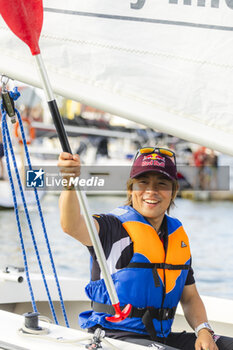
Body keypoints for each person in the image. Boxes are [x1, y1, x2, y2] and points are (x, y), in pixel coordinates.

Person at [58, 147, 233, 350]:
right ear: (130, 189)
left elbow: (190, 297)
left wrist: (203, 330)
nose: (151, 190)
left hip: (160, 338)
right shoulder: (110, 227)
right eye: (143, 182)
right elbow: (70, 225)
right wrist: (69, 181)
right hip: (115, 338)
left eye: (162, 184)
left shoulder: (176, 237)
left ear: (174, 191)